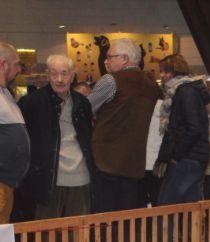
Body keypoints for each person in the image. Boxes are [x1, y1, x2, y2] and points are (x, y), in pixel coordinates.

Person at [87, 38, 162, 212]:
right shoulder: (152, 86)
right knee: (128, 219)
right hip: (135, 164)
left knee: (104, 217)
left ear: (125, 59)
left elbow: (84, 109)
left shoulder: (111, 81)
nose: (106, 61)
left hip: (105, 161)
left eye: (110, 57)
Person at [17, 53, 94, 219]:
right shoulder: (31, 103)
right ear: (47, 75)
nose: (59, 79)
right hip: (47, 179)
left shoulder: (82, 103)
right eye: (53, 73)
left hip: (81, 177)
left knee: (79, 234)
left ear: (73, 75)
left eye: (64, 73)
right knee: (46, 235)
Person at [155, 55, 209, 205]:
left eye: (166, 71)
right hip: (193, 157)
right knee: (189, 207)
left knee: (167, 207)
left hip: (187, 158)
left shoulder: (185, 92)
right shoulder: (188, 90)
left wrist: (176, 155)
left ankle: (169, 230)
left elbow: (194, 127)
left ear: (176, 71)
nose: (162, 75)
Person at [0, 41, 29, 223]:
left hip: (7, 184)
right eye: (17, 64)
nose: (19, 69)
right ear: (3, 64)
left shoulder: (5, 93)